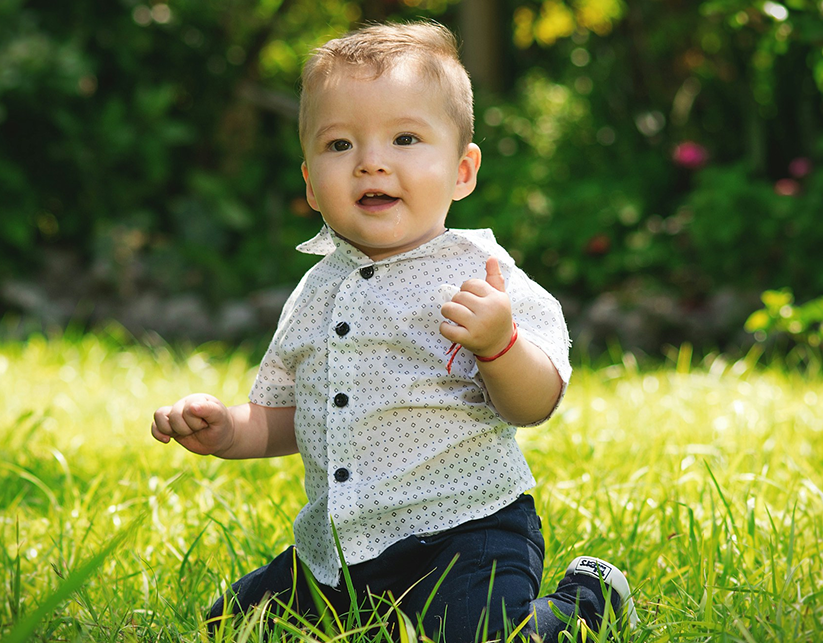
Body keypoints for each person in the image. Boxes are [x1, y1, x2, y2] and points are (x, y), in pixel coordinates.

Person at [151, 20, 638, 641]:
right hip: (341, 548)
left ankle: (583, 602)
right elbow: (292, 416)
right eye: (339, 146)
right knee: (229, 627)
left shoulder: (482, 277)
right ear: (310, 183)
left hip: (466, 534)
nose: (371, 163)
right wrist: (226, 429)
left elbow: (534, 403)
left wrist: (499, 345)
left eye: (405, 138)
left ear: (462, 172)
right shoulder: (316, 291)